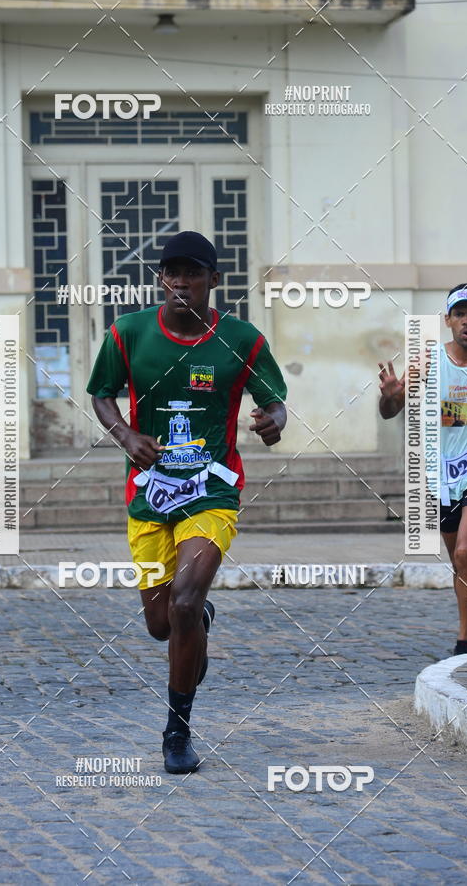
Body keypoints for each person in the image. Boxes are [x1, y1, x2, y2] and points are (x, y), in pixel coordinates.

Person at [87, 231, 287, 773]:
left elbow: (274, 398)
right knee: (160, 623)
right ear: (161, 280)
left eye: (193, 273)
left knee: (182, 603)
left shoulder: (242, 341)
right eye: (172, 273)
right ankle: (196, 621)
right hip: (149, 494)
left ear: (212, 281)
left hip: (211, 492)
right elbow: (101, 393)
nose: (181, 282)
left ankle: (177, 732)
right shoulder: (127, 334)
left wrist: (274, 420)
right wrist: (127, 437)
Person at [378, 284, 467, 656]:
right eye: (460, 314)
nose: (466, 321)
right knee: (459, 559)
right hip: (442, 474)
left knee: (466, 551)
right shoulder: (426, 363)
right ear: (448, 321)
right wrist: (391, 396)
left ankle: (465, 645)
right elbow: (391, 411)